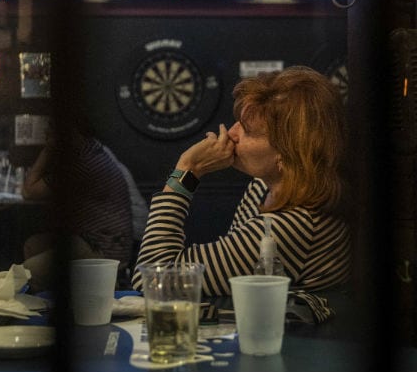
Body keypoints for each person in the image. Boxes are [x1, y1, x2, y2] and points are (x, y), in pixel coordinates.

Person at [132, 67, 351, 310]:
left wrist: (187, 171)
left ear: (287, 153)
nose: (231, 133)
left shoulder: (290, 226)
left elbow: (152, 280)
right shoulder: (262, 186)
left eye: (248, 131)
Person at [21, 122, 133, 292]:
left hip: (103, 250)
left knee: (28, 272)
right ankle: (51, 295)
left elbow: (28, 192)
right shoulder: (90, 151)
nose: (46, 135)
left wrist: (48, 150)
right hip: (94, 240)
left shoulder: (82, 163)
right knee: (33, 245)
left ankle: (57, 295)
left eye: (51, 132)